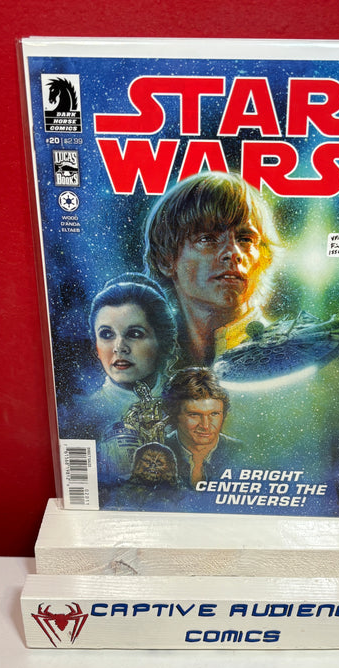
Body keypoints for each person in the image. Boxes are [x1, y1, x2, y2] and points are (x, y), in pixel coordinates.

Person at [144, 171, 279, 366]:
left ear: (264, 257)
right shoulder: (147, 361)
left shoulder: (289, 355)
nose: (233, 253)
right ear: (166, 260)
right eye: (207, 239)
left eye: (245, 239)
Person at [62, 273, 177, 486]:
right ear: (95, 346)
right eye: (106, 334)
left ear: (163, 341)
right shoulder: (79, 417)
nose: (119, 347)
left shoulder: (192, 407)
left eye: (135, 334)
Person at [162, 367, 243, 488]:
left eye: (214, 414)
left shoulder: (240, 452)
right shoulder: (155, 451)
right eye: (194, 415)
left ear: (223, 414)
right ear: (174, 415)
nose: (205, 426)